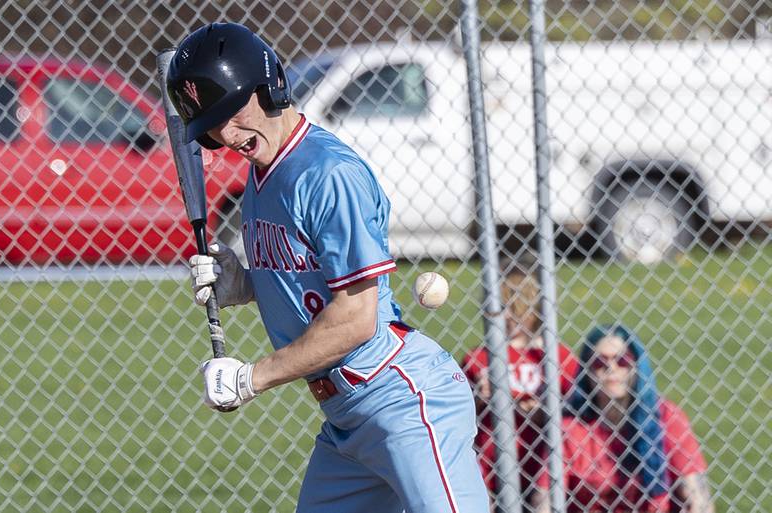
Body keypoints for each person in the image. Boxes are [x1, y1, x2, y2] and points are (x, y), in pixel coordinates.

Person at [168, 22, 489, 513]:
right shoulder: (263, 175)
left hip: (401, 400)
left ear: (267, 86)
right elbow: (305, 277)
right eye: (212, 125)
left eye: (233, 111)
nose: (226, 134)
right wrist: (245, 284)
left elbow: (356, 320)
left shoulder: (328, 174)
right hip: (346, 419)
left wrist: (251, 378)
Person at [563, 324, 714, 513]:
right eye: (600, 362)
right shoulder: (571, 428)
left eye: (622, 360)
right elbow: (544, 498)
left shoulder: (665, 415)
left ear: (637, 366)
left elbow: (698, 497)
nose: (612, 368)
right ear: (586, 371)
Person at [462, 268, 579, 511]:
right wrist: (478, 399)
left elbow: (579, 409)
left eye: (514, 307)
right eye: (500, 308)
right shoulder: (479, 358)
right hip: (492, 469)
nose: (506, 316)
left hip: (545, 467)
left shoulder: (556, 355)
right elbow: (459, 416)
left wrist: (544, 409)